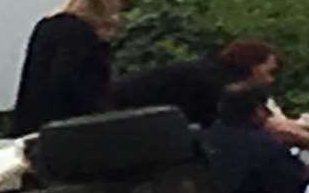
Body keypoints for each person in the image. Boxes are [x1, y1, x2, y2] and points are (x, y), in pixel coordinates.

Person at [11, 0, 136, 136]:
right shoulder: (80, 34)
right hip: (68, 130)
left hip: (35, 126)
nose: (122, 5)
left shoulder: (48, 25)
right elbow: (75, 84)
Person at [111, 39, 278, 127]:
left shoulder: (210, 72)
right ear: (252, 66)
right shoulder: (217, 86)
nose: (270, 80)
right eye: (268, 72)